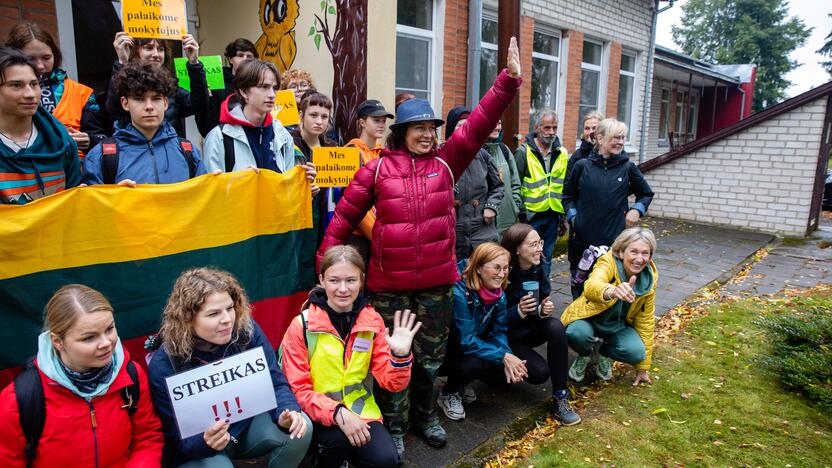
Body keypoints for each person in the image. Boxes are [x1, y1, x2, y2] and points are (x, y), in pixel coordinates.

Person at [317, 36, 522, 460]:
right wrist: (324, 272)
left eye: (432, 128)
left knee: (429, 359)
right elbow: (342, 220)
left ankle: (425, 416)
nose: (429, 135)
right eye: (420, 129)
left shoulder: (448, 162)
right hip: (389, 286)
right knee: (393, 359)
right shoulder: (375, 171)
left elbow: (479, 123)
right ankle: (394, 423)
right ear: (402, 133)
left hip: (436, 285)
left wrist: (508, 81)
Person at [147, 268, 312, 467]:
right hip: (200, 447)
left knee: (302, 427)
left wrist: (287, 412)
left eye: (230, 308)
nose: (227, 319)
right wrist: (204, 442)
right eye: (214, 313)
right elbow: (173, 436)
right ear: (188, 320)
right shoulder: (164, 364)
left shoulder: (245, 331)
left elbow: (275, 382)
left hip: (245, 428)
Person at [281, 245, 421, 467]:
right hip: (314, 414)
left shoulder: (372, 320)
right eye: (334, 280)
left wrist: (400, 356)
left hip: (360, 412)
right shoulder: (302, 325)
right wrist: (337, 413)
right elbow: (297, 389)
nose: (343, 289)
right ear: (322, 280)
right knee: (337, 442)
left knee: (386, 460)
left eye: (351, 280)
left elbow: (392, 383)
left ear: (362, 280)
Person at [0, 285, 163, 466]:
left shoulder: (131, 376)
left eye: (109, 329)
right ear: (58, 341)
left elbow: (147, 437)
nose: (106, 343)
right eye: (89, 338)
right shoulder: (21, 398)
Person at [436, 242, 544, 421]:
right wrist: (503, 356)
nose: (502, 274)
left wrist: (509, 357)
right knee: (474, 364)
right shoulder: (459, 293)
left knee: (503, 379)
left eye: (505, 268)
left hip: (473, 347)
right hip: (447, 353)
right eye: (496, 268)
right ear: (478, 267)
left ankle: (463, 382)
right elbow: (466, 340)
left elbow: (498, 330)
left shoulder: (498, 293)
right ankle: (448, 393)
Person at [562, 118, 654, 299]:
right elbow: (568, 197)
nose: (620, 142)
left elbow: (646, 193)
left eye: (622, 138)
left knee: (609, 288)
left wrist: (637, 209)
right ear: (600, 139)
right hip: (582, 242)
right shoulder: (582, 166)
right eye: (616, 138)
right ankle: (577, 321)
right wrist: (574, 219)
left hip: (614, 241)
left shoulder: (628, 168)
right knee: (580, 287)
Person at [499, 223, 581, 425]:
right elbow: (493, 320)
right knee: (539, 374)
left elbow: (543, 298)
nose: (539, 249)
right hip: (507, 336)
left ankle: (561, 396)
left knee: (555, 326)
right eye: (533, 244)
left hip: (529, 328)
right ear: (517, 249)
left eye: (540, 243)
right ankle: (497, 370)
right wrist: (518, 311)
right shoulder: (502, 272)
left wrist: (545, 309)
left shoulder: (539, 266)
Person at [561, 227, 658, 386]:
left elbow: (645, 320)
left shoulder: (649, 279)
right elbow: (591, 286)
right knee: (575, 333)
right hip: (589, 319)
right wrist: (611, 290)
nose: (639, 259)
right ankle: (585, 354)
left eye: (645, 253)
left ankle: (603, 353)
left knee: (636, 352)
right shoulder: (608, 262)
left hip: (616, 326)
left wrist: (642, 368)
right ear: (621, 252)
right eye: (634, 252)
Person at [82, 63, 206, 185]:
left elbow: (203, 199)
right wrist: (114, 197)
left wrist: (215, 186)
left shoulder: (188, 152)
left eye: (156, 98)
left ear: (165, 103)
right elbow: (91, 204)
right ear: (125, 103)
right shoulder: (102, 156)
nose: (149, 107)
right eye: (139, 99)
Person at [6, 22, 106, 156]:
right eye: (30, 59)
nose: (40, 66)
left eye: (46, 57)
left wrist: (90, 140)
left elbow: (103, 139)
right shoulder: (4, 92)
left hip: (74, 169)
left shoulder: (82, 93)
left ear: (55, 55)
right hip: (22, 166)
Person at [0, 46, 79, 204]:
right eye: (16, 85)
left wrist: (115, 194)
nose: (30, 94)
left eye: (34, 84)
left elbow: (76, 205)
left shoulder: (62, 142)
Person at [106, 32, 209, 137]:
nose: (156, 54)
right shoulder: (124, 80)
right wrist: (122, 62)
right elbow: (114, 107)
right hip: (134, 150)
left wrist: (194, 63)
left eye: (160, 49)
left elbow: (198, 104)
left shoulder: (170, 86)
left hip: (169, 149)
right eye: (149, 48)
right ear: (134, 52)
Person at [514, 109, 569, 281]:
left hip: (553, 215)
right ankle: (526, 294)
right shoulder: (524, 152)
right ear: (537, 127)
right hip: (531, 216)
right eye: (547, 128)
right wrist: (520, 213)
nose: (551, 132)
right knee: (527, 258)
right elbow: (515, 184)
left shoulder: (563, 153)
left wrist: (563, 217)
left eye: (554, 128)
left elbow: (564, 185)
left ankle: (543, 294)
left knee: (546, 258)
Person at [445, 106, 504, 259]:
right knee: (457, 278)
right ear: (451, 129)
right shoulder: (442, 157)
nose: (464, 130)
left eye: (468, 126)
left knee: (483, 275)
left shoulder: (483, 156)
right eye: (460, 126)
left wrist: (491, 207)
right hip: (453, 232)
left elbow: (497, 186)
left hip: (482, 230)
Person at [343, 99, 395, 263]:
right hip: (358, 236)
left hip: (381, 233)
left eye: (383, 121)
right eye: (376, 120)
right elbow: (353, 200)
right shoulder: (351, 152)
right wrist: (376, 236)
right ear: (362, 122)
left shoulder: (384, 154)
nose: (381, 125)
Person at [292, 91, 338, 248]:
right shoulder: (289, 144)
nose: (319, 121)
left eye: (324, 117)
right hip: (298, 221)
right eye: (313, 115)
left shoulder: (333, 148)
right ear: (301, 115)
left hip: (326, 219)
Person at [196, 38, 258, 137]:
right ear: (230, 59)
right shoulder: (217, 83)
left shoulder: (259, 84)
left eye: (249, 56)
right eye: (240, 55)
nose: (245, 59)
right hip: (224, 142)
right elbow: (206, 126)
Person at [483, 119, 522, 235]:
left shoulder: (504, 150)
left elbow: (515, 182)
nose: (497, 128)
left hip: (507, 223)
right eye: (493, 123)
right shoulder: (474, 153)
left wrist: (514, 207)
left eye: (499, 123)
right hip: (485, 225)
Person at [565, 111, 603, 185]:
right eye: (587, 128)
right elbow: (568, 186)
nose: (590, 132)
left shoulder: (611, 153)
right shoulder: (577, 156)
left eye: (594, 128)